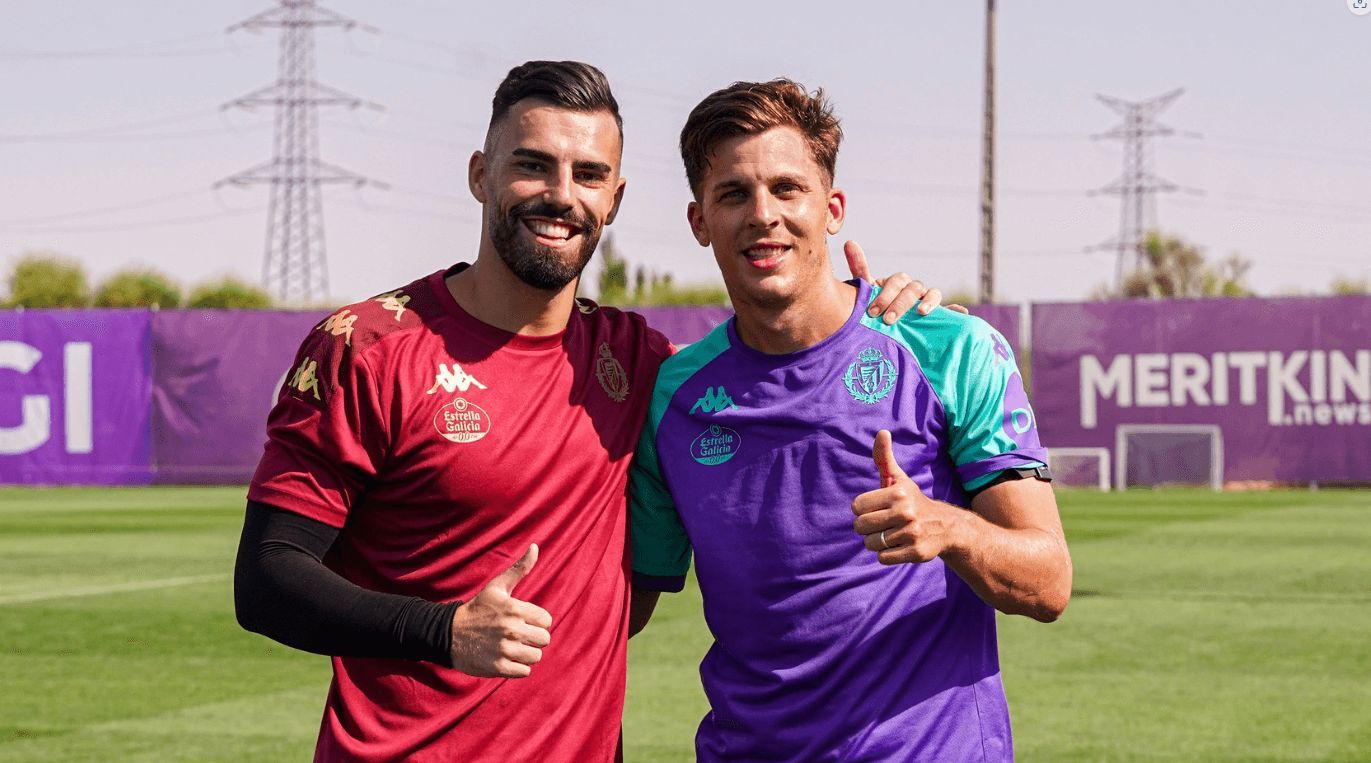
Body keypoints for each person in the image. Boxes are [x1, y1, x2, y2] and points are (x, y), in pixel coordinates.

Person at [233, 61, 949, 761]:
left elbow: (783, 357)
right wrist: (443, 629)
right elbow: (267, 575)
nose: (559, 194)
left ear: (615, 197)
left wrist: (884, 307)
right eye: (533, 165)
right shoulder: (368, 346)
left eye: (588, 175)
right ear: (480, 174)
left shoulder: (640, 364)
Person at [628, 79, 1073, 762]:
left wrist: (947, 526)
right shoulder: (672, 395)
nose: (762, 214)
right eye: (732, 194)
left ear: (830, 208)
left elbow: (1047, 583)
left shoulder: (948, 349)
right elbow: (622, 607)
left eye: (786, 188)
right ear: (699, 222)